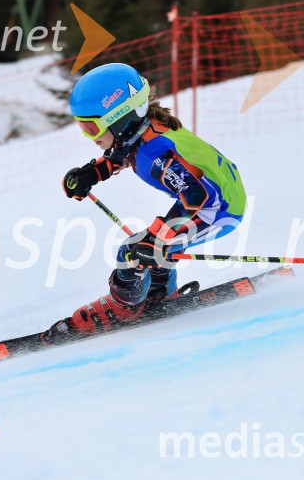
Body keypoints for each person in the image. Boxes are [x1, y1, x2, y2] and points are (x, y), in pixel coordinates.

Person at [63, 63, 246, 334]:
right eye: (82, 127)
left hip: (216, 209)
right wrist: (93, 173)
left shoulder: (156, 154)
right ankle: (158, 292)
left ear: (120, 117)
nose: (89, 137)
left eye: (91, 128)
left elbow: (197, 196)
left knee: (132, 251)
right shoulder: (142, 131)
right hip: (211, 196)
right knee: (153, 246)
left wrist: (155, 238)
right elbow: (124, 154)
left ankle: (124, 307)